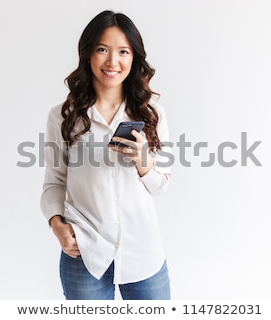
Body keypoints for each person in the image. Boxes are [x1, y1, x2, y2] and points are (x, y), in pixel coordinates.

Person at [40, 10, 171, 300]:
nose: (113, 62)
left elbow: (161, 185)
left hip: (144, 255)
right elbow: (54, 183)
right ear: (88, 54)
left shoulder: (152, 115)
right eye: (103, 50)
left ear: (134, 57)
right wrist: (57, 225)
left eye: (123, 51)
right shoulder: (62, 117)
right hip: (84, 255)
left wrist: (143, 161)